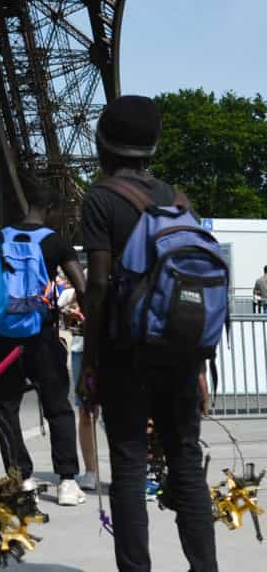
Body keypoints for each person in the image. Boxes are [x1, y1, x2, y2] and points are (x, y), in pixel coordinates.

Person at [78, 95, 217, 572]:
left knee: (130, 466)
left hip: (126, 354)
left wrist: (90, 362)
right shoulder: (178, 200)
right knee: (185, 462)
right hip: (180, 357)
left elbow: (96, 285)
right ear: (153, 146)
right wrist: (199, 368)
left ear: (102, 145)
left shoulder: (101, 198)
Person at [0, 178, 88, 506]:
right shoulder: (54, 241)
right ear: (49, 210)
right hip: (41, 335)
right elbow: (82, 286)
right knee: (58, 405)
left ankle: (21, 477)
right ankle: (67, 481)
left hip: (3, 336)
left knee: (6, 408)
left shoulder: (1, 237)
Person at [59, 278, 98, 490]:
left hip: (109, 351)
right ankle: (91, 471)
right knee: (86, 413)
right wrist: (70, 312)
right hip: (81, 352)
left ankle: (124, 468)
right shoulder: (76, 284)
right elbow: (62, 315)